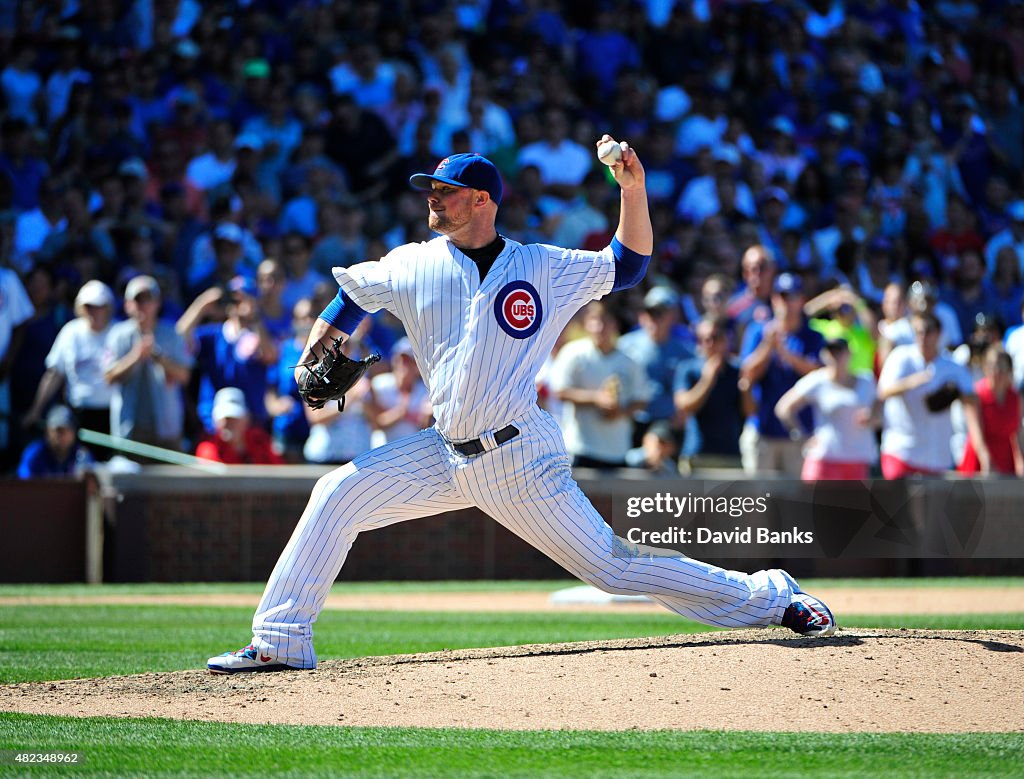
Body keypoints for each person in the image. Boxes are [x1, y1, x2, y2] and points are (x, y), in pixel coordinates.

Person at [207, 143, 837, 675]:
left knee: (613, 570)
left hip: (517, 458)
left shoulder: (539, 265)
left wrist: (632, 190)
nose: (432, 198)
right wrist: (315, 347)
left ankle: (770, 596)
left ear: (482, 201)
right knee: (335, 494)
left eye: (446, 191)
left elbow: (628, 265)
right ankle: (281, 641)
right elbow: (351, 296)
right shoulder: (413, 262)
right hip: (440, 450)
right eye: (430, 189)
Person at [877, 312, 984, 478]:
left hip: (936, 456)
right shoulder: (901, 357)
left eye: (928, 331)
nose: (923, 336)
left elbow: (973, 399)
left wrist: (954, 393)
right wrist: (911, 382)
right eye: (918, 331)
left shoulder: (951, 366)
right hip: (902, 451)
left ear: (939, 333)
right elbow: (883, 391)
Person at [739, 272, 825, 475]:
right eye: (781, 296)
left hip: (799, 432)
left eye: (791, 296)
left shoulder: (812, 336)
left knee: (794, 503)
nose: (785, 302)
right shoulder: (758, 332)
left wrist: (787, 354)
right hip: (763, 431)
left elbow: (819, 374)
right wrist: (768, 347)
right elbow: (747, 373)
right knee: (759, 502)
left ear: (801, 300)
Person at [550, 301, 650, 469]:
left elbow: (641, 398)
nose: (599, 327)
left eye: (605, 321)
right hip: (580, 447)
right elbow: (559, 391)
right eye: (594, 321)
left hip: (617, 449)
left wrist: (620, 412)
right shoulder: (573, 353)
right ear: (586, 324)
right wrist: (596, 398)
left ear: (614, 325)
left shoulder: (630, 360)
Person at [23, 280, 115, 456]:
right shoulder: (71, 332)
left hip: (112, 414)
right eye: (89, 306)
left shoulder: (118, 332)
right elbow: (54, 373)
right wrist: (36, 410)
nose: (94, 311)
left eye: (99, 306)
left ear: (108, 307)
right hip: (77, 412)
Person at [103, 275, 192, 451]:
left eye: (148, 299)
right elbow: (108, 377)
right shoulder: (117, 335)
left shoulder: (172, 334)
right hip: (129, 430)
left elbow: (184, 376)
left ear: (157, 303)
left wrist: (157, 356)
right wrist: (135, 356)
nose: (143, 305)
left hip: (166, 429)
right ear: (128, 305)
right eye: (138, 300)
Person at [774, 339, 880, 482]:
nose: (835, 356)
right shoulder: (817, 380)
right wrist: (801, 436)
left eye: (839, 351)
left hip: (857, 459)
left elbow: (879, 414)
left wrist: (872, 418)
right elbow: (784, 408)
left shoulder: (867, 380)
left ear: (849, 353)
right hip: (825, 459)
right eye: (831, 352)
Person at [958, 346, 1023, 476]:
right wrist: (986, 461)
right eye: (991, 366)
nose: (996, 372)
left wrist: (1021, 461)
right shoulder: (976, 394)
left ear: (1009, 371)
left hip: (1005, 461)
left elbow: (1018, 432)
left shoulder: (1015, 398)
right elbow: (976, 434)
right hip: (979, 461)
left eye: (1001, 367)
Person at [196, 387, 284, 465]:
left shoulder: (260, 441)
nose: (229, 424)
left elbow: (278, 471)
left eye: (234, 418)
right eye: (225, 419)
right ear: (215, 422)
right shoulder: (208, 450)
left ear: (246, 420)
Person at [17, 405, 94, 479]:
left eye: (68, 430)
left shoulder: (82, 456)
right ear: (48, 431)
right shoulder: (35, 453)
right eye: (59, 430)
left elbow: (90, 485)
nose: (63, 435)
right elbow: (24, 481)